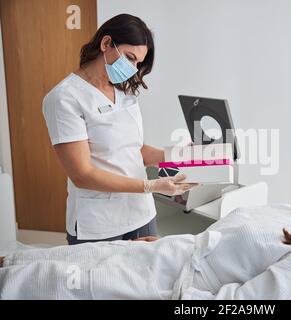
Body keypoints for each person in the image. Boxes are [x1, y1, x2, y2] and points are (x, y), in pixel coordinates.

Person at [0, 173, 291, 299]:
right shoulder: (286, 213)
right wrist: (168, 244)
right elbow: (222, 239)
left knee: (49, 285)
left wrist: (180, 300)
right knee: (53, 259)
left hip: (163, 285)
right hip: (164, 254)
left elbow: (245, 306)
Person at [42, 14, 196, 245]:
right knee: (102, 280)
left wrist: (178, 156)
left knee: (147, 279)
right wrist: (150, 185)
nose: (133, 69)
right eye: (129, 58)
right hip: (98, 223)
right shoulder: (65, 97)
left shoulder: (125, 94)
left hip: (141, 214)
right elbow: (82, 174)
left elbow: (135, 150)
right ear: (106, 44)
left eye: (137, 63)